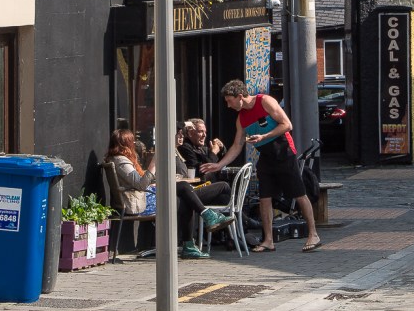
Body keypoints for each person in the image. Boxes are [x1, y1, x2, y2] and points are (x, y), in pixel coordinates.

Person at [201, 79, 321, 254]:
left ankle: (313, 234)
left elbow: (287, 124)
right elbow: (236, 146)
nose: (228, 105)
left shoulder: (264, 101)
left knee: (299, 193)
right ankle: (268, 240)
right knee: (265, 198)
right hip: (265, 156)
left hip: (284, 152)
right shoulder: (241, 118)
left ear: (240, 96)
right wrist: (218, 165)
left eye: (229, 100)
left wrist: (264, 137)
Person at [106, 128, 231, 259]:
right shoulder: (121, 161)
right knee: (185, 191)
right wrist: (153, 164)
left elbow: (139, 182)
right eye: (132, 141)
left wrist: (154, 180)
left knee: (185, 193)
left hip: (145, 196)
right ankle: (199, 228)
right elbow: (141, 185)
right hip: (141, 204)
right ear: (126, 143)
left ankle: (194, 238)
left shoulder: (119, 159)